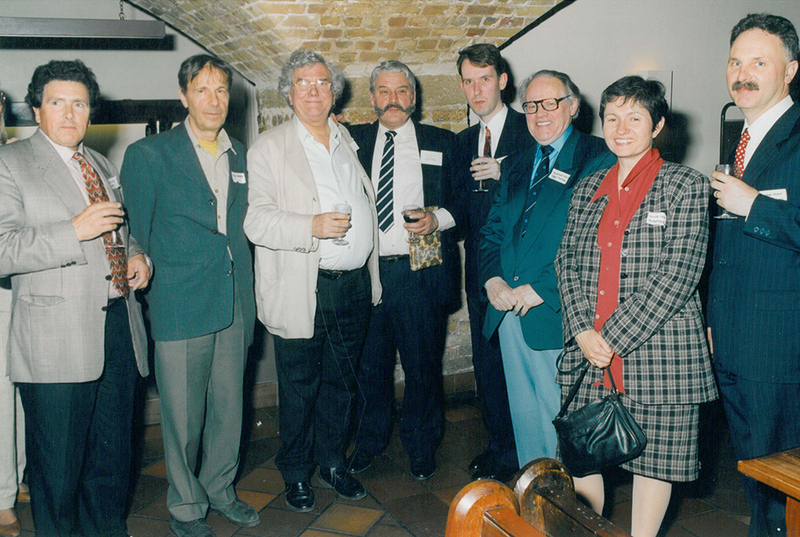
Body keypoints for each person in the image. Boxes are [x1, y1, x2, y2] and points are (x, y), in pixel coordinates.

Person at [555, 76, 718, 537]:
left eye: (634, 117)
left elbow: (679, 273)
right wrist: (582, 330)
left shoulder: (685, 184)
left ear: (657, 125)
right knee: (584, 459)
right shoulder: (588, 186)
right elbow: (566, 260)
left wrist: (609, 338)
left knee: (654, 466)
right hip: (588, 351)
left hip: (660, 353)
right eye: (612, 118)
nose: (621, 128)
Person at [0, 59, 151, 537]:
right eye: (57, 103)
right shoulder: (9, 163)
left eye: (79, 104)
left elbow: (119, 232)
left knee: (111, 463)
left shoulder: (100, 164)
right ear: (36, 110)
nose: (69, 114)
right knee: (58, 476)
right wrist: (73, 231)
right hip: (55, 340)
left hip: (118, 327)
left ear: (91, 112)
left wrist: (137, 255)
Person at [121, 55, 258, 537]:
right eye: (202, 89)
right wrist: (139, 261)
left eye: (221, 90)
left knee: (230, 407)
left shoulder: (240, 154)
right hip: (179, 301)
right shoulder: (149, 155)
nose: (213, 100)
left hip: (234, 299)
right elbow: (133, 232)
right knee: (182, 417)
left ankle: (220, 489)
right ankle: (185, 507)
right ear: (183, 96)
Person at [244, 49, 381, 513]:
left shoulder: (345, 140)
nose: (313, 91)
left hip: (353, 283)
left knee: (342, 382)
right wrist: (312, 226)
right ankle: (297, 472)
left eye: (322, 82)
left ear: (334, 91)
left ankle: (332, 462)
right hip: (305, 286)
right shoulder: (270, 147)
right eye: (302, 82)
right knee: (300, 387)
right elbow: (256, 222)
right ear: (288, 92)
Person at [480, 70, 614, 468]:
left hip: (558, 310)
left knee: (563, 427)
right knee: (525, 421)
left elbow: (597, 242)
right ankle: (536, 494)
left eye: (550, 103)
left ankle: (566, 502)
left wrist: (542, 288)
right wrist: (492, 279)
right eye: (531, 105)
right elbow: (493, 230)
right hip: (509, 310)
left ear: (573, 107)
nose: (540, 113)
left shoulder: (598, 157)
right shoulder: (518, 163)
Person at [707, 13, 800, 537]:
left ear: (790, 70)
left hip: (779, 345)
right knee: (753, 479)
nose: (742, 74)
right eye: (735, 62)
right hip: (733, 338)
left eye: (759, 63)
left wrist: (756, 206)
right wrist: (713, 318)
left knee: (782, 489)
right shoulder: (740, 138)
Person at [346, 60, 459, 481]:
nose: (392, 99)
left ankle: (421, 445)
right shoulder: (351, 141)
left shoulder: (442, 142)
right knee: (369, 366)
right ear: (372, 97)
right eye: (384, 91)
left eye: (401, 91)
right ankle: (370, 440)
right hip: (367, 271)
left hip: (418, 271)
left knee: (422, 365)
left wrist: (437, 219)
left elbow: (464, 202)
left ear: (414, 96)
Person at [450, 44, 530, 482]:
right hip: (479, 271)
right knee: (487, 363)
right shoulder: (463, 142)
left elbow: (547, 190)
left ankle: (528, 453)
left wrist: (506, 176)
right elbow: (460, 211)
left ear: (502, 81)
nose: (477, 90)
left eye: (485, 79)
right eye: (469, 81)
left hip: (520, 269)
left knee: (521, 363)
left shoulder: (529, 129)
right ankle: (501, 447)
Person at [0, 89, 26, 537]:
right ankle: (2, 496)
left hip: (15, 286)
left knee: (19, 386)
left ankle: (16, 476)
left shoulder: (13, 157)